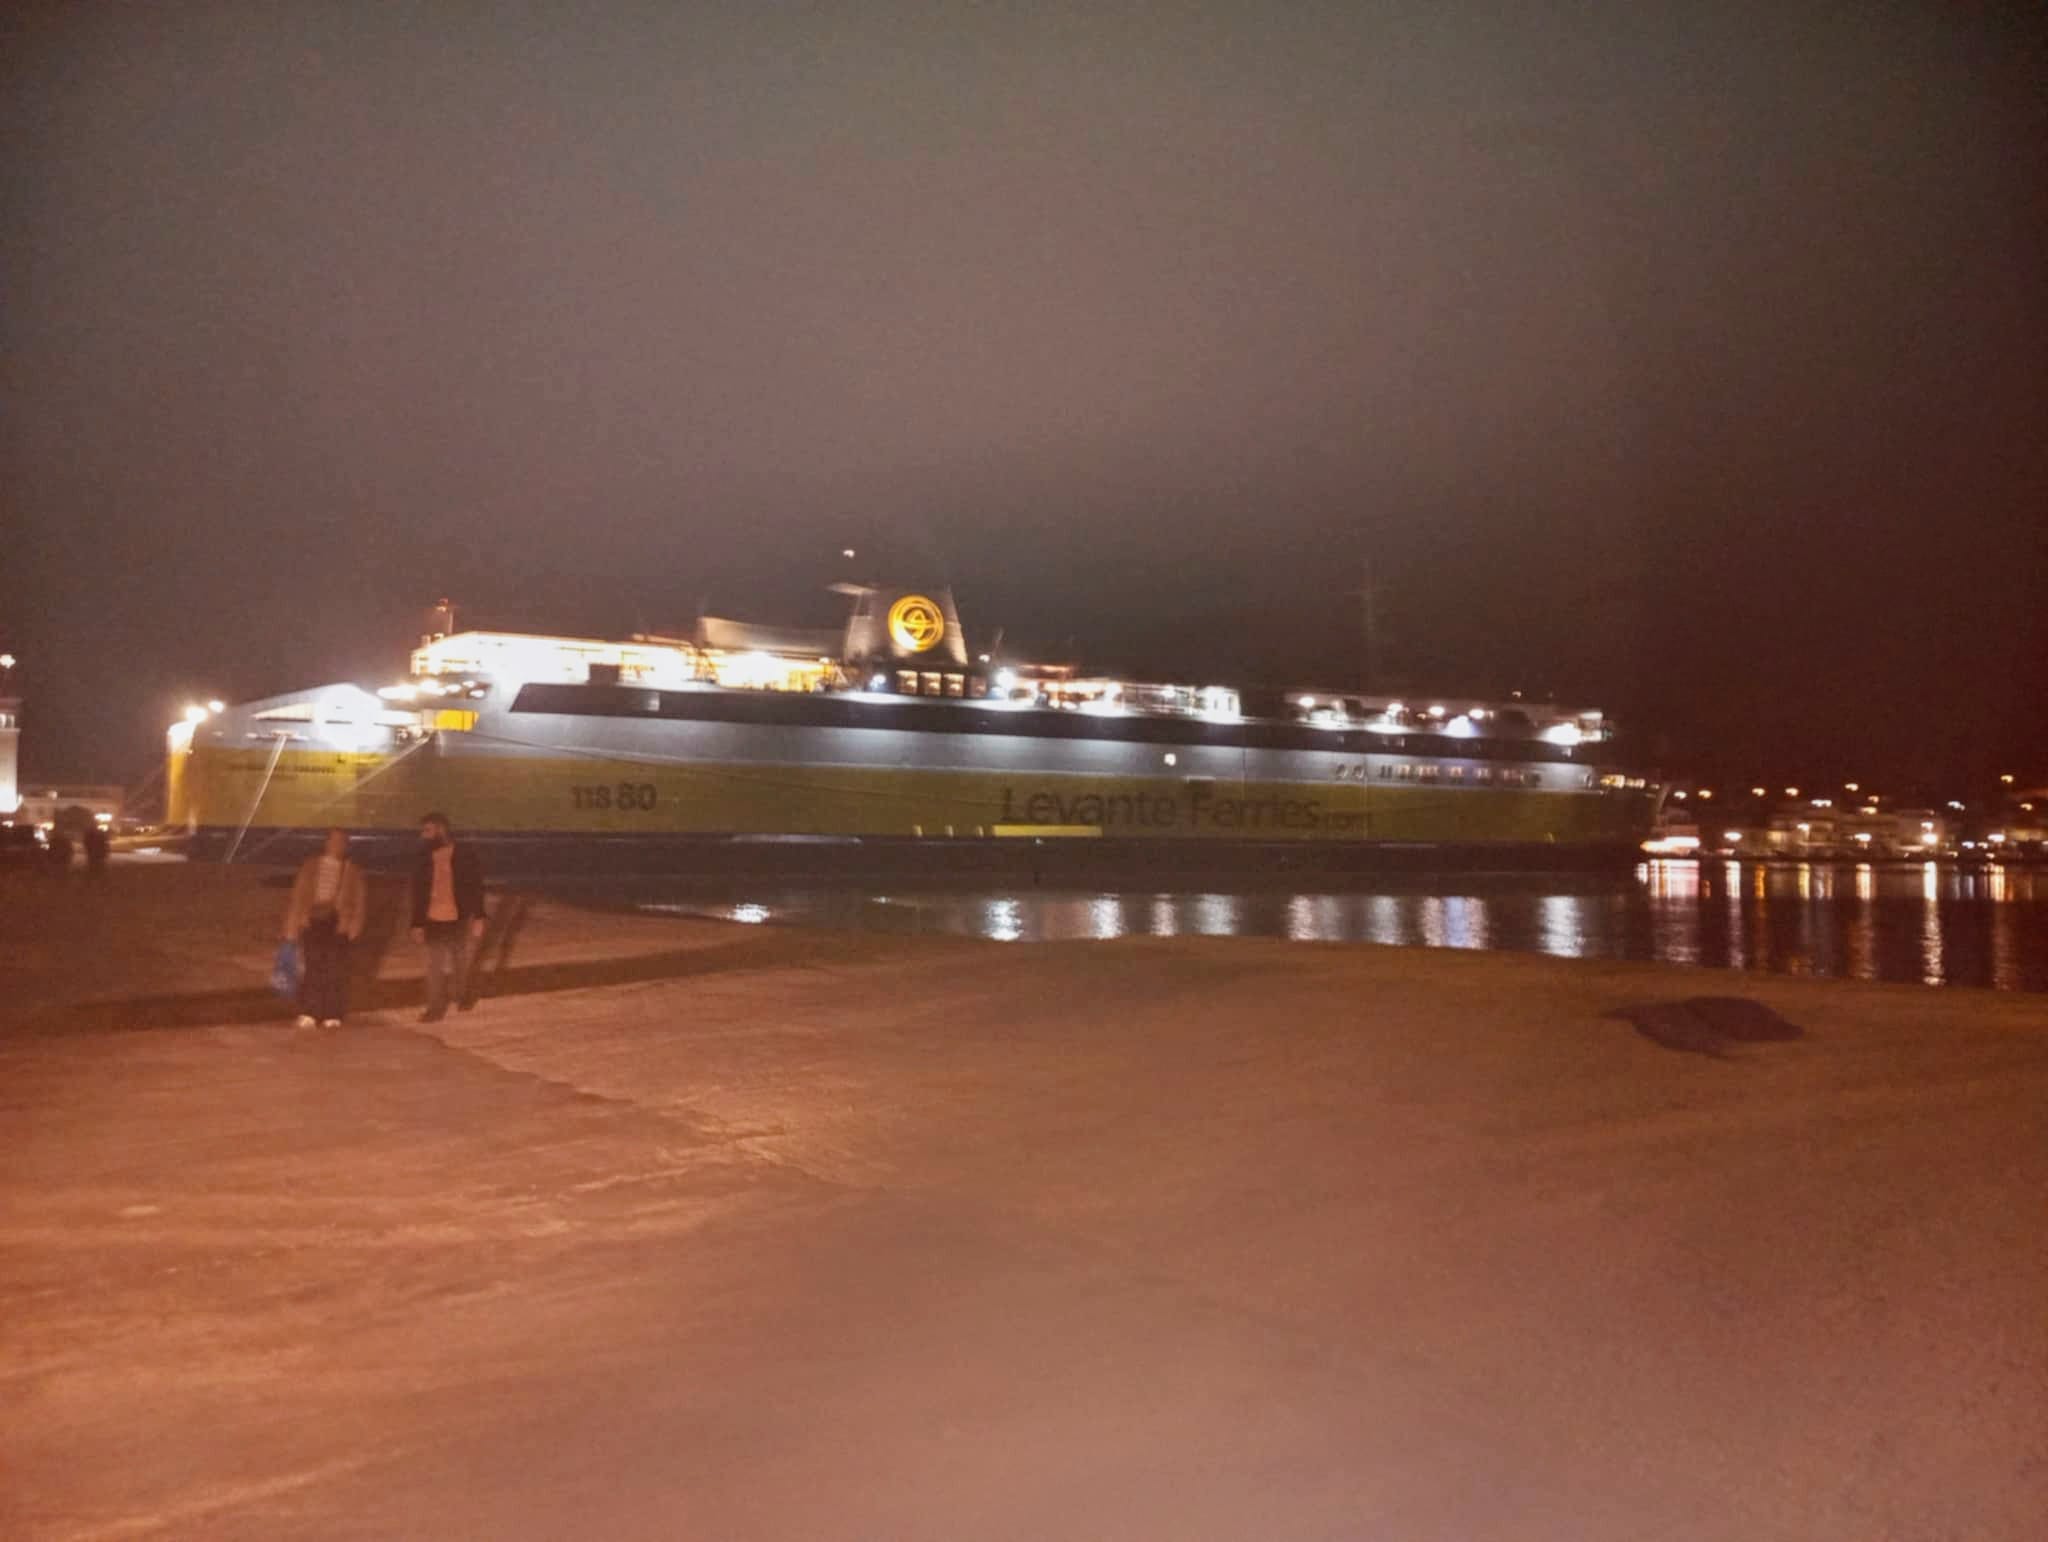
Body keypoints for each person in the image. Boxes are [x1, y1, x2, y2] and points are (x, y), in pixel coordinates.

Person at [282, 827, 368, 1028]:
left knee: (335, 969)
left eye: (342, 842)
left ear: (346, 846)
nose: (337, 845)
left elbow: (360, 900)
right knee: (313, 966)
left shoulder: (353, 870)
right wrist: (292, 926)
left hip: (339, 923)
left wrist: (355, 925)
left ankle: (332, 1013)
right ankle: (310, 1012)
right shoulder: (311, 865)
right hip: (312, 920)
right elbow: (298, 894)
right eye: (334, 840)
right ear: (326, 843)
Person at [409, 811, 485, 1022]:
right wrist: (416, 923)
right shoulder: (423, 857)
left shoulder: (463, 854)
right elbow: (418, 891)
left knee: (460, 961)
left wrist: (479, 916)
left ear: (441, 829)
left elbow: (475, 885)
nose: (423, 835)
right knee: (434, 967)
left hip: (458, 917)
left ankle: (461, 996)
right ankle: (435, 1008)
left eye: (428, 830)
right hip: (432, 919)